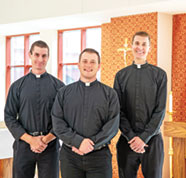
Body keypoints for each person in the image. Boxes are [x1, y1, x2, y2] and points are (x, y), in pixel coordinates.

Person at [52, 48, 120, 178]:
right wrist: (77, 142)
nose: (88, 65)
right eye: (85, 61)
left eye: (93, 62)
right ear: (78, 64)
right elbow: (58, 123)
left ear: (99, 66)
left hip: (99, 158)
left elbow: (112, 126)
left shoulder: (110, 94)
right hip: (70, 157)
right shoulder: (64, 93)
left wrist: (89, 145)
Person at [4, 40, 65, 178]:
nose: (40, 59)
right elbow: (9, 117)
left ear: (48, 57)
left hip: (50, 147)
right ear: (30, 55)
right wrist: (31, 140)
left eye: (44, 56)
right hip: (23, 145)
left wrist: (45, 140)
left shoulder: (59, 87)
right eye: (36, 55)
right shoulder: (17, 86)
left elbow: (63, 119)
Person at [114, 31, 167, 178]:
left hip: (152, 140)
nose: (140, 47)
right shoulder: (121, 76)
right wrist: (132, 137)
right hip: (127, 140)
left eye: (144, 44)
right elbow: (118, 110)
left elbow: (160, 110)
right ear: (132, 46)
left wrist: (143, 138)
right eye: (137, 43)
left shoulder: (160, 75)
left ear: (149, 47)